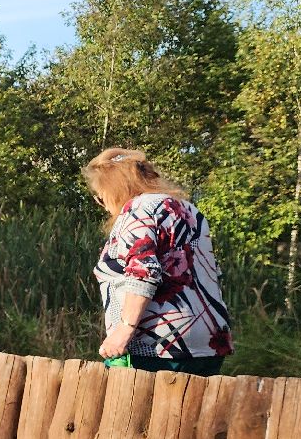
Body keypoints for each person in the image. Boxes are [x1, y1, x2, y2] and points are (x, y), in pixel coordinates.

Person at [84, 147, 232, 375]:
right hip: (209, 342)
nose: (101, 203)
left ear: (114, 188)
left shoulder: (137, 209)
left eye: (100, 196)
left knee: (141, 410)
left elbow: (143, 273)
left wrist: (124, 332)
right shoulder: (189, 210)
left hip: (157, 346)